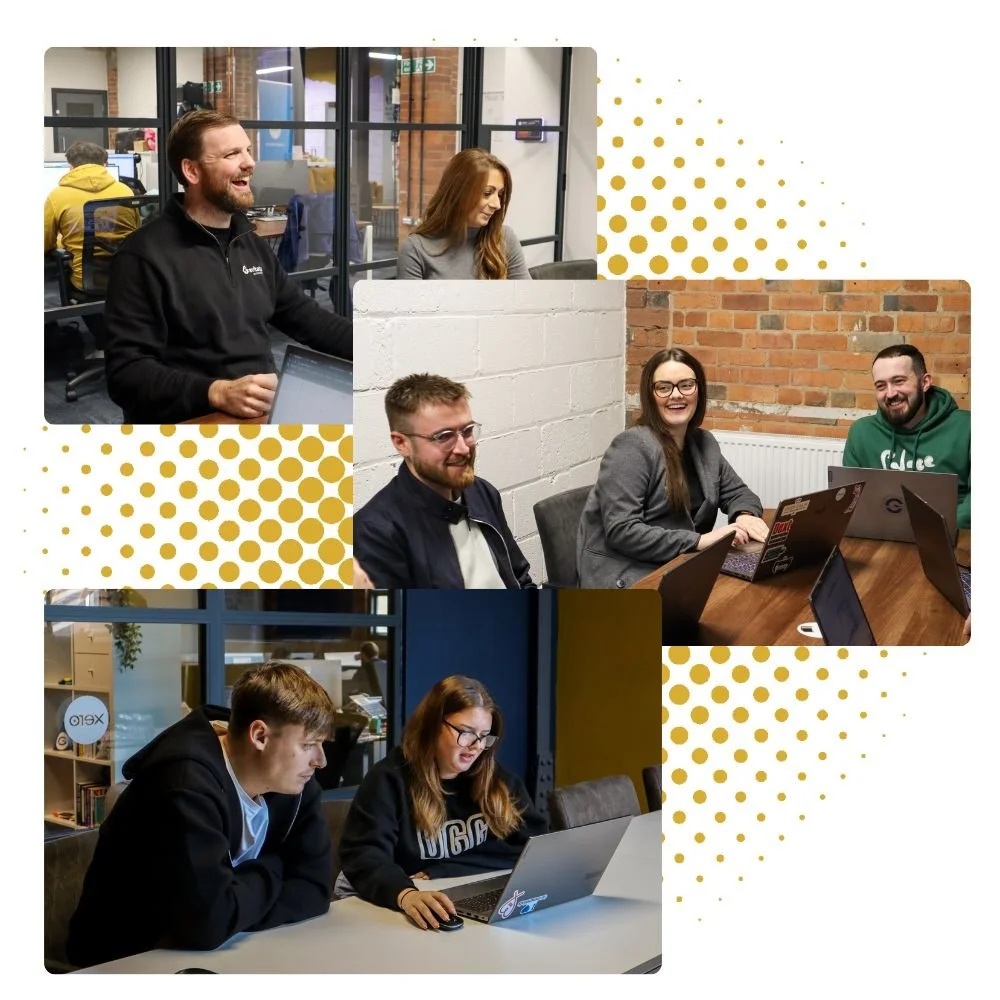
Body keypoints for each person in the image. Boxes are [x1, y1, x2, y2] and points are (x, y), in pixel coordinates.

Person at [66, 662, 336, 968]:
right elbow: (207, 922)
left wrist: (231, 911)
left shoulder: (295, 782)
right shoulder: (183, 782)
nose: (321, 761)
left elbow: (314, 890)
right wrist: (274, 867)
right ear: (260, 735)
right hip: (126, 962)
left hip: (229, 953)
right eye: (308, 745)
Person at [103, 110, 353, 424]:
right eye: (232, 153)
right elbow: (126, 374)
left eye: (248, 150)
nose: (249, 162)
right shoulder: (143, 255)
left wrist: (380, 345)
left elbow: (311, 321)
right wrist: (217, 391)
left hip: (258, 417)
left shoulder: (249, 242)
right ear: (191, 171)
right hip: (193, 424)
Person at [334, 675, 547, 929]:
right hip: (392, 906)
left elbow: (534, 850)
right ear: (432, 725)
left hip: (454, 897)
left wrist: (445, 869)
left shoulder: (497, 780)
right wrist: (407, 894)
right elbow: (364, 857)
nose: (476, 747)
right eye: (466, 733)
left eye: (484, 736)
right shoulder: (389, 780)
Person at [577, 347, 767, 589]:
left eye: (686, 385)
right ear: (650, 395)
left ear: (698, 391)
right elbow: (622, 530)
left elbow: (739, 493)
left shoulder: (703, 443)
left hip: (679, 566)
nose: (676, 395)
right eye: (664, 388)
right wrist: (700, 541)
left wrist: (745, 516)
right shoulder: (631, 447)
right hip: (629, 577)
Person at [354, 373, 533, 589]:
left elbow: (520, 579)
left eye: (467, 431)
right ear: (402, 443)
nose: (464, 448)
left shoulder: (482, 492)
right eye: (444, 436)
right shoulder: (376, 532)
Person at [842, 344, 970, 529]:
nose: (891, 393)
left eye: (899, 381)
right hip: (882, 534)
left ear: (925, 382)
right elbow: (850, 501)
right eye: (881, 386)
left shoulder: (967, 427)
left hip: (951, 537)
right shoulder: (861, 432)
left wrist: (939, 531)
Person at [43, 141, 138, 339]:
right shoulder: (125, 191)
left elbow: (44, 244)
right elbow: (135, 234)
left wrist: (65, 242)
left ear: (71, 167)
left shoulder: (57, 196)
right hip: (127, 278)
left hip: (87, 284)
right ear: (104, 165)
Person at [397, 148, 531, 280]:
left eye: (500, 194)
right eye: (487, 193)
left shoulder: (505, 239)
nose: (497, 204)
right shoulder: (416, 249)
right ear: (459, 193)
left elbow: (528, 299)